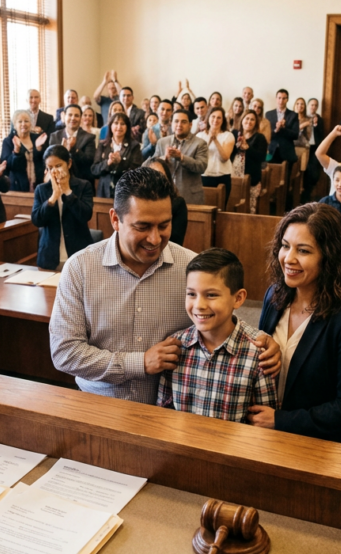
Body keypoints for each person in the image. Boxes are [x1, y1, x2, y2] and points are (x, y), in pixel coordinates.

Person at [49, 167, 280, 402]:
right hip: (98, 403)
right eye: (143, 227)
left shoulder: (189, 267)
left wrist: (260, 342)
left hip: (170, 412)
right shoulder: (80, 268)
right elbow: (65, 353)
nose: (155, 239)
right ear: (115, 220)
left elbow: (217, 318)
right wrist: (139, 363)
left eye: (163, 225)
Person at [252, 202, 341, 446]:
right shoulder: (275, 295)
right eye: (285, 246)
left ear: (329, 257)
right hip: (268, 437)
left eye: (304, 251)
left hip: (323, 446)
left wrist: (281, 421)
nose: (288, 258)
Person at [157, 248, 277, 421]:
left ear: (238, 298)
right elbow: (163, 412)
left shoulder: (259, 353)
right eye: (191, 294)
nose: (199, 305)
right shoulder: (175, 347)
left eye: (211, 295)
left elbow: (264, 423)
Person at [31, 145, 94, 270]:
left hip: (79, 255)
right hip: (50, 256)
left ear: (69, 163)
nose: (54, 171)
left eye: (58, 166)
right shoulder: (41, 189)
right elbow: (37, 220)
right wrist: (53, 198)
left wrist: (68, 192)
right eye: (50, 168)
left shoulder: (83, 185)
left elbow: (85, 215)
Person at [154, 110, 208, 205]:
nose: (179, 125)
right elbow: (151, 166)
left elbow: (201, 167)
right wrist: (164, 159)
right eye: (176, 121)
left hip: (190, 197)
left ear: (190, 124)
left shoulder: (200, 143)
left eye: (183, 122)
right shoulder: (162, 142)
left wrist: (181, 157)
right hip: (165, 196)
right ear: (171, 123)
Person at [92, 113, 143, 198]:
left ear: (127, 127)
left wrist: (121, 162)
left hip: (126, 191)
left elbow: (137, 172)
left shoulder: (134, 146)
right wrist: (107, 163)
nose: (119, 127)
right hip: (104, 191)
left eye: (122, 124)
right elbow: (94, 170)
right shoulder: (103, 145)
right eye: (116, 123)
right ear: (110, 126)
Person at [41, 104, 97, 182]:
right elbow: (49, 160)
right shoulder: (55, 136)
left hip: (81, 182)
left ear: (80, 118)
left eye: (76, 115)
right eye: (70, 115)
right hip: (58, 181)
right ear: (64, 116)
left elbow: (88, 162)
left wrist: (74, 150)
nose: (73, 118)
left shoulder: (89, 137)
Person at [143, 157, 189, 245]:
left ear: (168, 179)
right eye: (151, 176)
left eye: (160, 176)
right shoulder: (137, 205)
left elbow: (175, 241)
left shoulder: (178, 204)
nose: (157, 180)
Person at [231, 110, 269, 213]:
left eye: (252, 119)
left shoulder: (260, 138)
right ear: (242, 120)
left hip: (251, 178)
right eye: (247, 118)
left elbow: (261, 157)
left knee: (249, 208)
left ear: (256, 123)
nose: (249, 121)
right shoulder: (234, 134)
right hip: (234, 175)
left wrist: (248, 148)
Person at [198, 107, 234, 199]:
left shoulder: (228, 135)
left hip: (222, 176)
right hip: (204, 175)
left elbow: (224, 158)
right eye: (213, 116)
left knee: (220, 207)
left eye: (219, 118)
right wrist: (209, 140)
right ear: (208, 118)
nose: (215, 120)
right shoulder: (200, 135)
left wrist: (216, 140)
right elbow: (200, 156)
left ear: (223, 120)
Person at [265, 89, 300, 179]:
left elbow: (295, 135)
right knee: (271, 178)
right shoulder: (269, 114)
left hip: (287, 152)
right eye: (279, 98)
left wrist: (283, 129)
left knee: (285, 179)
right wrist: (276, 129)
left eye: (284, 98)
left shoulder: (293, 115)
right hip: (272, 151)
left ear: (287, 100)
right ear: (276, 99)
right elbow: (267, 134)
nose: (281, 101)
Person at [1, 109, 37, 192]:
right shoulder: (8, 141)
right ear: (15, 124)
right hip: (17, 185)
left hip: (37, 183)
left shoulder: (37, 138)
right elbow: (6, 165)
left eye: (26, 121)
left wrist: (39, 149)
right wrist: (16, 152)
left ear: (31, 123)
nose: (23, 124)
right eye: (20, 121)